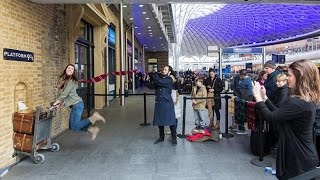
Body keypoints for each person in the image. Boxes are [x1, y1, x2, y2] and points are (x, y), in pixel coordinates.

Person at [252, 59, 320, 179]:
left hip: (298, 160)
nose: (286, 78)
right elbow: (279, 113)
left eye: (289, 75)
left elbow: (272, 117)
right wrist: (265, 98)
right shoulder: (305, 100)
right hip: (301, 157)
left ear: (301, 77)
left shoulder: (298, 102)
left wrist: (258, 97)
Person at [52, 64, 106, 141]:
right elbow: (65, 97)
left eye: (72, 69)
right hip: (75, 106)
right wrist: (57, 105)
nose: (69, 70)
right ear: (66, 69)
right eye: (68, 68)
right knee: (72, 126)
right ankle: (92, 129)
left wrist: (54, 104)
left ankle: (93, 118)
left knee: (74, 126)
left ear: (73, 72)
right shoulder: (66, 80)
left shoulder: (71, 81)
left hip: (78, 105)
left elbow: (64, 95)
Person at [152, 65, 177, 146]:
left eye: (165, 70)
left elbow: (159, 82)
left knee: (171, 120)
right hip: (159, 102)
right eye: (163, 69)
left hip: (167, 102)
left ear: (169, 72)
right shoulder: (161, 79)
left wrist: (154, 74)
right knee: (160, 120)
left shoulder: (169, 79)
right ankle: (161, 137)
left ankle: (174, 138)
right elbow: (151, 85)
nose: (163, 71)